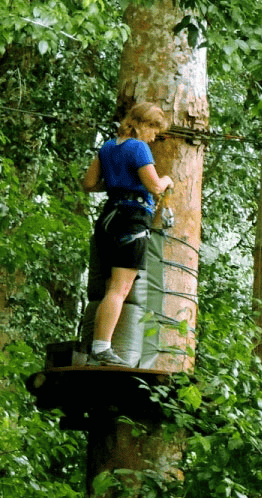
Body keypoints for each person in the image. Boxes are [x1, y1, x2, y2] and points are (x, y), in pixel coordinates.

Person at [80, 101, 173, 367]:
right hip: (131, 221)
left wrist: (116, 185)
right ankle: (101, 347)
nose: (154, 137)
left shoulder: (107, 147)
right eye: (154, 130)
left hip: (108, 218)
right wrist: (168, 180)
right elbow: (155, 186)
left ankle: (98, 345)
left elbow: (88, 183)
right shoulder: (139, 147)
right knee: (119, 289)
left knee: (111, 288)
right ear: (144, 125)